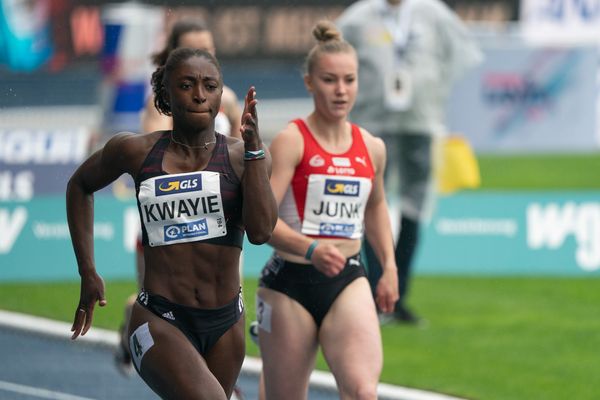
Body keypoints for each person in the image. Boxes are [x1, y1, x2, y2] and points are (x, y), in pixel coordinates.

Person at [67, 47, 277, 399]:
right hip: (158, 319)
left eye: (210, 86)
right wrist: (87, 271)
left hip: (226, 325)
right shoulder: (134, 151)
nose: (199, 95)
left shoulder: (245, 157)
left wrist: (255, 149)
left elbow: (260, 232)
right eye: (186, 85)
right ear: (165, 95)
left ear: (221, 94)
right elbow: (80, 185)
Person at [255, 20, 399, 399]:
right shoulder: (291, 141)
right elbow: (261, 222)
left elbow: (377, 206)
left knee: (363, 393)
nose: (341, 91)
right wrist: (311, 249)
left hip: (347, 280)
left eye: (349, 80)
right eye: (329, 80)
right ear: (309, 83)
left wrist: (389, 267)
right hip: (290, 283)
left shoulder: (372, 147)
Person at [337, 0, 482, 323]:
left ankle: (398, 294)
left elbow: (463, 53)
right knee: (371, 204)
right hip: (372, 122)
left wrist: (434, 88)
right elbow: (329, 56)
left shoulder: (433, 13)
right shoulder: (360, 17)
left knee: (416, 203)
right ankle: (375, 291)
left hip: (421, 121)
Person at [114, 17, 244, 376]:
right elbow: (154, 154)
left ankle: (213, 374)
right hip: (169, 219)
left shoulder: (227, 99)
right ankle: (138, 324)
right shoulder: (160, 105)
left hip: (217, 219)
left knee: (222, 288)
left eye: (208, 50)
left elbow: (237, 146)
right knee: (165, 300)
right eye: (192, 48)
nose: (201, 55)